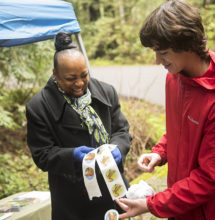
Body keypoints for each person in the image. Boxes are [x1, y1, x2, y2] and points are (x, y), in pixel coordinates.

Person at [116, 0, 215, 219]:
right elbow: (180, 130)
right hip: (178, 205)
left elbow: (209, 178)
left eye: (163, 52)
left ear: (188, 44)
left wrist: (151, 204)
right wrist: (160, 152)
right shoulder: (174, 78)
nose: (157, 60)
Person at [26, 32, 131, 220]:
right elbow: (42, 154)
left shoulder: (106, 92)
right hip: (73, 200)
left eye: (84, 75)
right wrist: (72, 155)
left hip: (113, 190)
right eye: (71, 78)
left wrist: (119, 147)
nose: (80, 83)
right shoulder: (38, 107)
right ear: (55, 74)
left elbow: (121, 130)